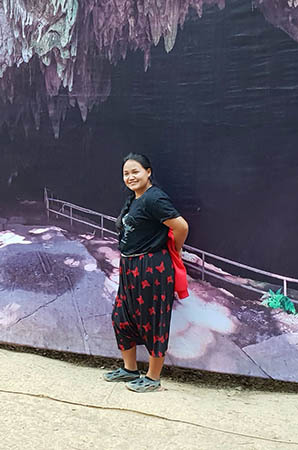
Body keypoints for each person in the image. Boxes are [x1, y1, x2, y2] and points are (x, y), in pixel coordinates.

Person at [103, 153, 189, 393]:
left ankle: (153, 377)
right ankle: (130, 369)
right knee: (121, 318)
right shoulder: (134, 198)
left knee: (153, 321)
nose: (130, 177)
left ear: (148, 172)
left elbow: (181, 226)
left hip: (152, 267)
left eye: (135, 172)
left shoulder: (154, 198)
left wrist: (174, 248)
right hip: (130, 266)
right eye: (126, 173)